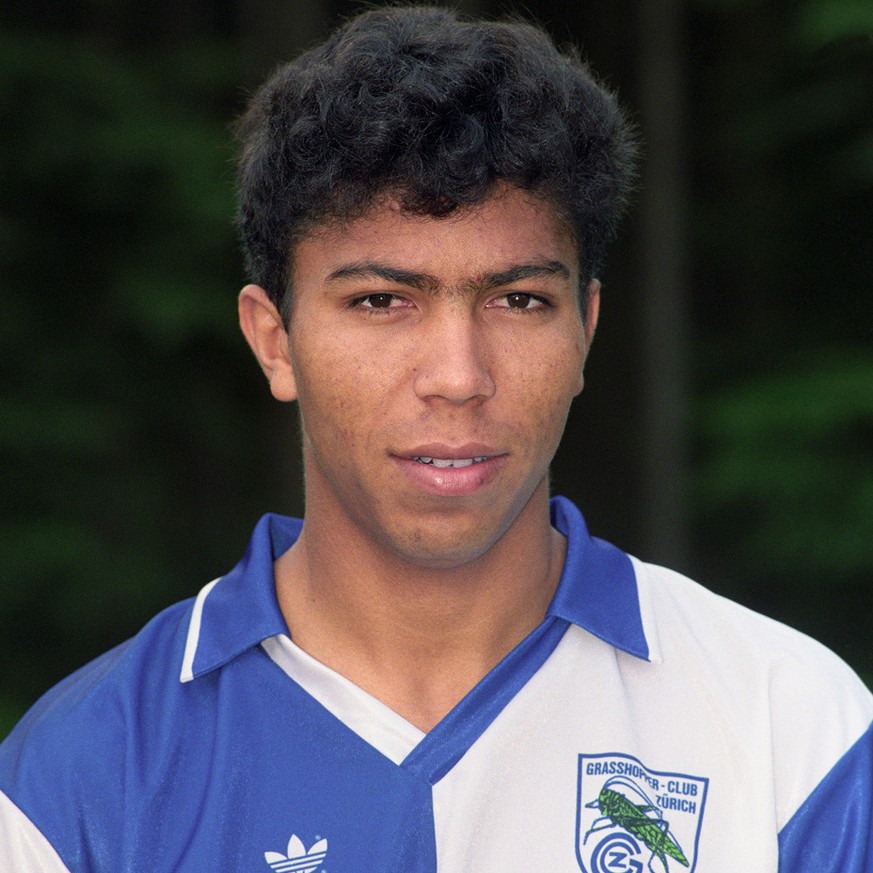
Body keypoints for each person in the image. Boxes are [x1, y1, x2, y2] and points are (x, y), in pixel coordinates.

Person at [1, 5, 870, 872]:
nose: (458, 374)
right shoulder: (82, 777)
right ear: (275, 340)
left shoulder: (792, 730)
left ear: (585, 331)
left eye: (518, 299)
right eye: (381, 300)